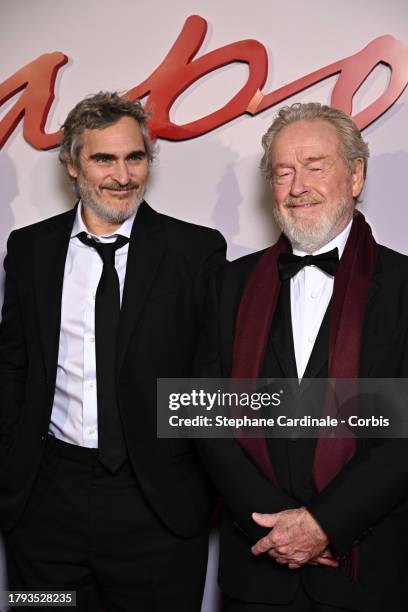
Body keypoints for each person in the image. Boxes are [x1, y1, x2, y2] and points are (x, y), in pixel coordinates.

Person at [0, 91, 226, 611]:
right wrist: (12, 460)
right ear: (72, 166)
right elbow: (12, 363)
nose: (122, 176)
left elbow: (213, 376)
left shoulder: (196, 251)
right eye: (104, 158)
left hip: (158, 509)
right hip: (45, 507)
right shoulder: (30, 249)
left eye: (135, 157)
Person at [196, 103, 408, 612]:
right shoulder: (229, 284)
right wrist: (277, 528)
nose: (298, 187)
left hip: (365, 571)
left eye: (315, 166)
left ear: (355, 174)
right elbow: (202, 413)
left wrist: (324, 524)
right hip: (258, 566)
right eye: (284, 171)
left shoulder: (404, 287)